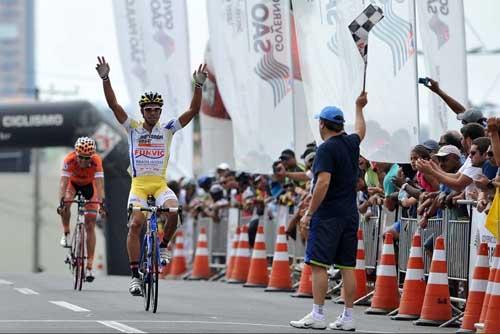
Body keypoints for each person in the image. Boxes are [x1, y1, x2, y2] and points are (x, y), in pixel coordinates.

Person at [95, 56, 208, 296]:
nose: (154, 113)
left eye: (157, 110)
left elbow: (193, 111)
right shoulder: (133, 128)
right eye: (149, 110)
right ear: (142, 111)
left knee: (175, 210)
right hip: (138, 186)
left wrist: (198, 85)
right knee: (136, 224)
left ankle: (164, 245)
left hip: (159, 185)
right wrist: (106, 78)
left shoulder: (167, 130)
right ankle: (135, 276)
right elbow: (114, 105)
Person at [290, 91, 367, 331]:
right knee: (347, 266)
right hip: (349, 213)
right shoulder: (351, 143)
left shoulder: (325, 149)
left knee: (318, 264)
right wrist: (359, 108)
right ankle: (348, 316)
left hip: (328, 214)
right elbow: (361, 131)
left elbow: (322, 182)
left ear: (322, 124)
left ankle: (318, 314)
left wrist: (309, 213)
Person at [57, 137, 105, 282]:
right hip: (73, 185)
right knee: (65, 204)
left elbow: (99, 185)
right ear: (76, 154)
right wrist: (61, 202)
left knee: (90, 223)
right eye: (81, 158)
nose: (84, 161)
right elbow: (63, 183)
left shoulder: (96, 162)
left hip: (89, 187)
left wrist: (102, 204)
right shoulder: (69, 160)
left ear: (92, 156)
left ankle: (89, 267)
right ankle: (66, 233)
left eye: (87, 158)